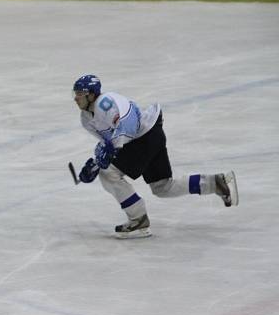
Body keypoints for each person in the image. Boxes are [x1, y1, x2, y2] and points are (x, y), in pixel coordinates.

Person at [72, 74, 238, 238]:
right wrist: (94, 165)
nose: (76, 98)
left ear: (92, 94)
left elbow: (129, 124)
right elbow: (107, 143)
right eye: (75, 94)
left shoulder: (105, 102)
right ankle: (216, 183)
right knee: (163, 186)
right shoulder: (86, 118)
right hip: (148, 136)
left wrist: (105, 160)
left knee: (108, 173)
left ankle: (138, 220)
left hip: (144, 137)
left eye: (80, 94)